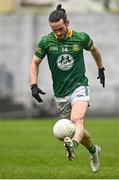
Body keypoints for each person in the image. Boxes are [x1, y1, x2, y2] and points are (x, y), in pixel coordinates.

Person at [30, 4, 105, 173]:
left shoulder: (80, 38)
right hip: (61, 93)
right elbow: (35, 62)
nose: (57, 33)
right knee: (77, 130)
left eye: (60, 28)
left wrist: (100, 68)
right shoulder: (46, 41)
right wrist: (33, 85)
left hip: (80, 86)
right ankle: (94, 151)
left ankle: (73, 146)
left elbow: (94, 49)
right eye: (53, 29)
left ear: (67, 23)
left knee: (78, 120)